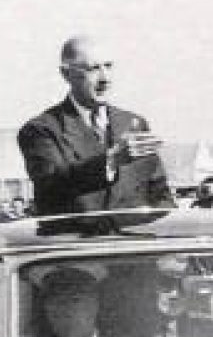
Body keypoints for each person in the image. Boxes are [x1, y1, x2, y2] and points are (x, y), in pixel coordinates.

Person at [18, 36, 173, 215]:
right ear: (66, 74)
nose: (105, 78)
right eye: (93, 69)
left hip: (134, 232)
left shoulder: (134, 123)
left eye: (108, 66)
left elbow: (161, 195)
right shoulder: (40, 130)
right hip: (75, 234)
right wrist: (111, 161)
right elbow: (51, 185)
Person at [22, 265, 112, 337]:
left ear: (94, 305)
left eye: (75, 300)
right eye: (57, 303)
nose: (66, 312)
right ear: (47, 310)